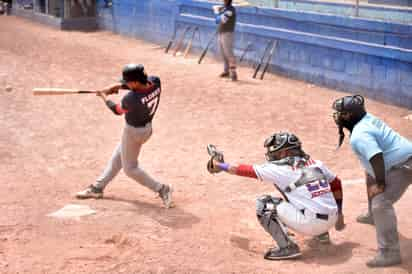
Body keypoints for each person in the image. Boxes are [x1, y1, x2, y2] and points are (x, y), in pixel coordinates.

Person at [206, 132, 345, 260]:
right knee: (297, 190)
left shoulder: (280, 170)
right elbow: (336, 183)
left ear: (285, 152)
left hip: (312, 224)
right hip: (332, 219)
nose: (272, 154)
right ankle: (322, 235)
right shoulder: (317, 164)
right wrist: (340, 213)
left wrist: (219, 164)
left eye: (275, 152)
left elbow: (241, 169)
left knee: (265, 204)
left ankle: (287, 248)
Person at [75, 64, 173, 208]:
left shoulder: (131, 99)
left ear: (134, 82)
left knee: (130, 169)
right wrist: (116, 86)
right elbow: (139, 88)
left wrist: (104, 97)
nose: (125, 83)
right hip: (147, 129)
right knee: (118, 158)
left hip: (133, 133)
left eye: (127, 82)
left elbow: (118, 110)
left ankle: (162, 189)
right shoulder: (155, 82)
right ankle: (97, 188)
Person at [332, 94, 412, 267]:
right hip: (404, 156)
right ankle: (371, 215)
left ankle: (390, 253)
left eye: (339, 113)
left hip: (404, 167)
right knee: (370, 173)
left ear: (348, 116)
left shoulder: (360, 134)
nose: (337, 116)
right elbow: (373, 162)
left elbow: (376, 157)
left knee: (381, 204)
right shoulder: (366, 118)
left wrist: (381, 183)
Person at [213, 0, 237, 81]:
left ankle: (233, 73)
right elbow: (216, 21)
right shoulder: (224, 9)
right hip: (221, 32)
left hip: (228, 33)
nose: (224, 0)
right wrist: (219, 11)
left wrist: (216, 12)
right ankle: (226, 71)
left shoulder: (231, 10)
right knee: (223, 53)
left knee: (229, 53)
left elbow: (222, 20)